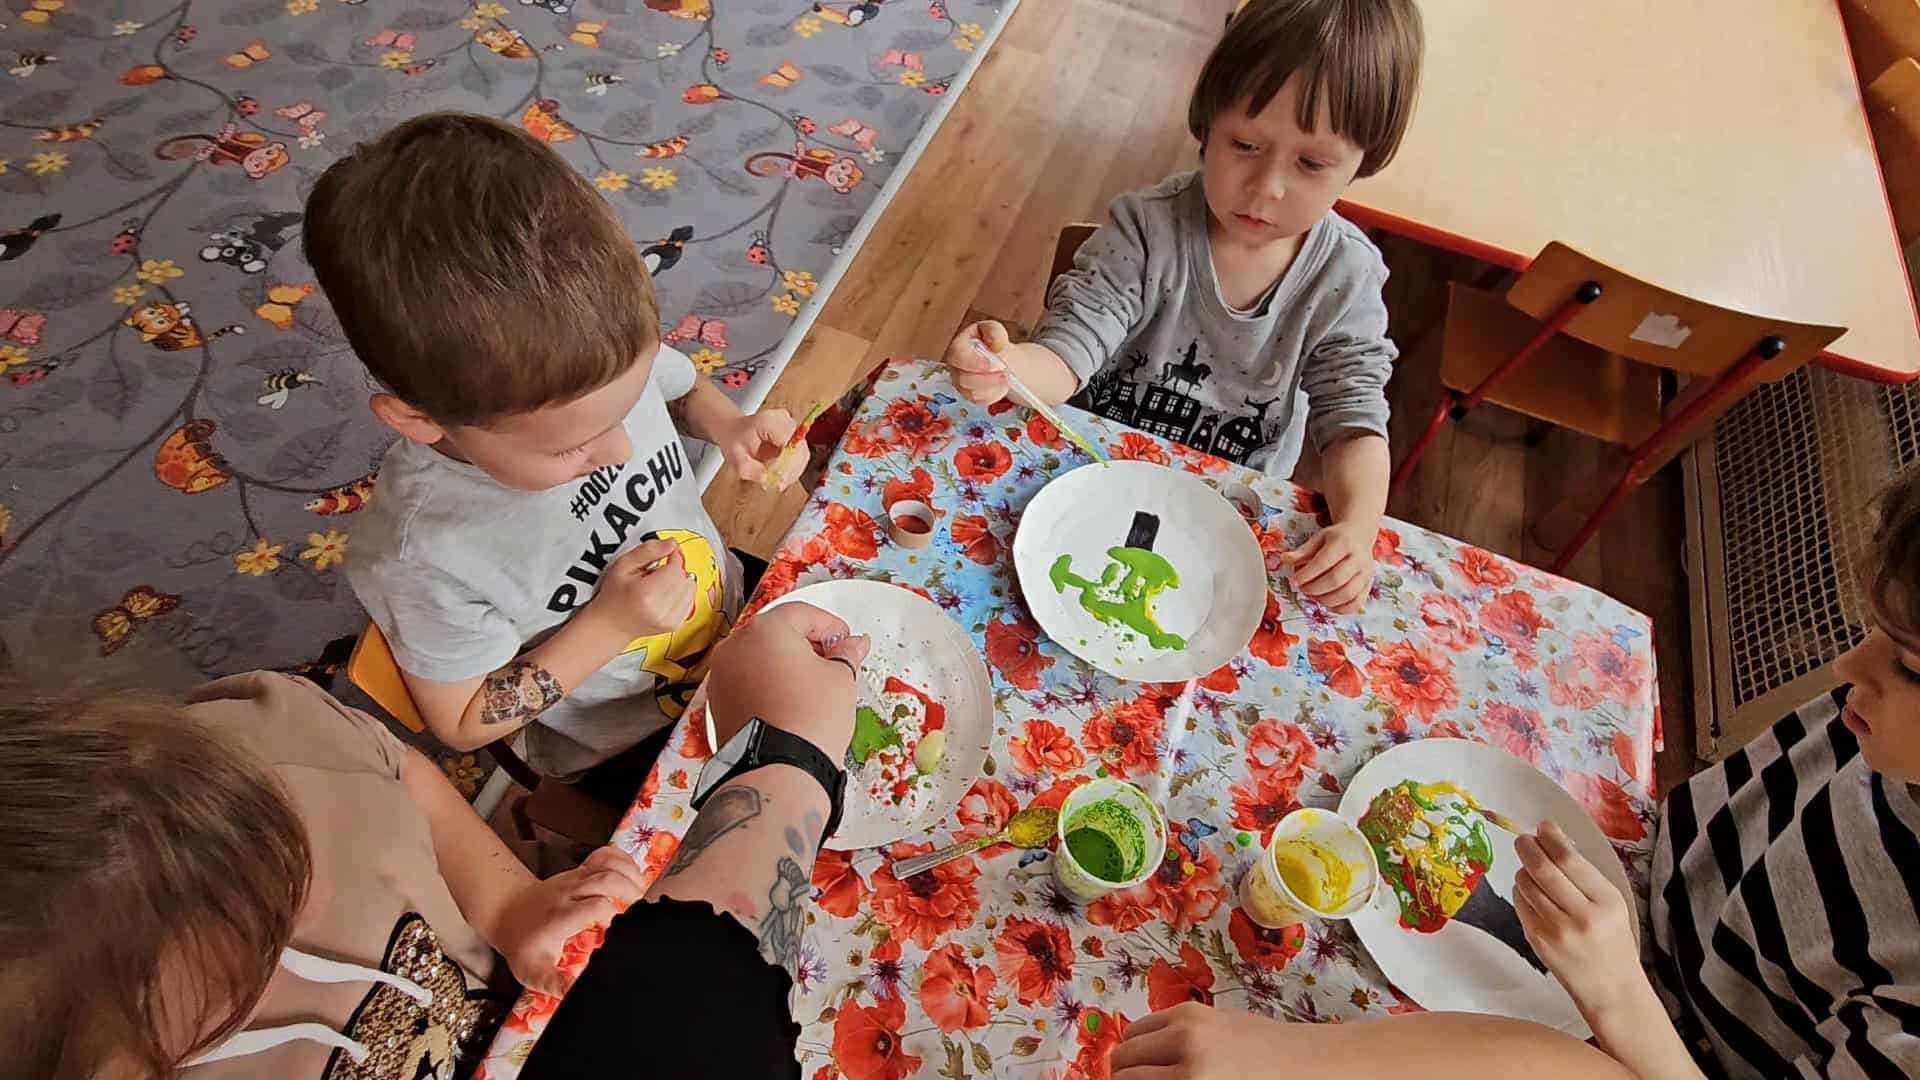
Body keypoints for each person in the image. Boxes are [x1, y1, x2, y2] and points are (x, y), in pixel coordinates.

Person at [1108, 470, 1920, 1080]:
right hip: (1638, 909)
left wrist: (1618, 994)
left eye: (1910, 667)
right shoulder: (1878, 712)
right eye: (1876, 633)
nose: (1846, 668)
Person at [1, 601, 866, 1080]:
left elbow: (388, 765)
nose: (313, 896)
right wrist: (788, 758)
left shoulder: (259, 735)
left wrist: (507, 902)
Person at [304, 112, 799, 809]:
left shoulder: (594, 363)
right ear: (419, 419)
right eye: (572, 447)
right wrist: (610, 626)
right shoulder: (421, 554)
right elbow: (463, 721)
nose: (621, 450)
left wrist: (730, 426)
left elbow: (681, 388)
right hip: (629, 741)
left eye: (626, 409)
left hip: (731, 606)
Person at [942, 0, 1422, 614]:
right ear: (1205, 122)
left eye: (1311, 163)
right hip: (1090, 476)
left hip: (1222, 521)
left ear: (1365, 159)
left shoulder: (1346, 279)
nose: (1267, 187)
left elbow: (1354, 425)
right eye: (1244, 144)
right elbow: (1067, 352)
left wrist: (1356, 529)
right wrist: (1006, 366)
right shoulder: (1146, 231)